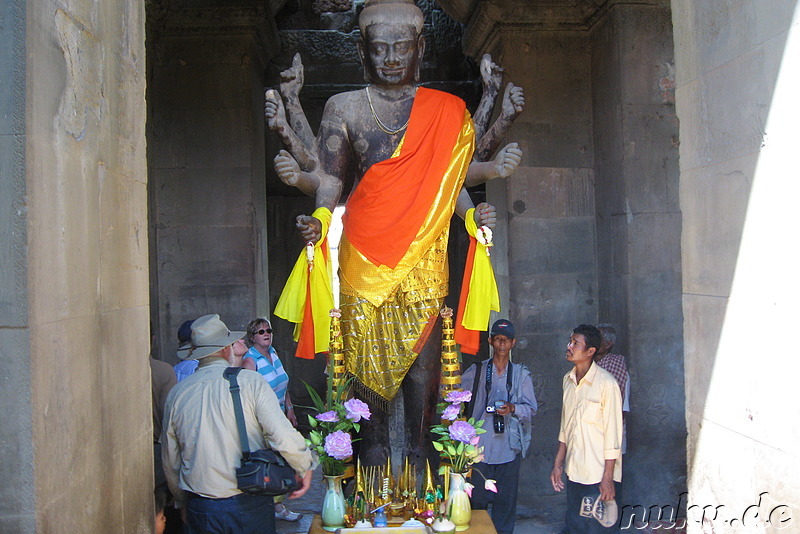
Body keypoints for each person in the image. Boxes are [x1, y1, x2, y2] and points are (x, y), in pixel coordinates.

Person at [265, 0, 524, 468]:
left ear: (419, 49)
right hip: (364, 257)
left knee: (425, 375)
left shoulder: (445, 110)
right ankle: (371, 478)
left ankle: (427, 481)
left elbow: (450, 184)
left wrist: (470, 219)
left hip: (424, 260)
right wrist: (319, 219)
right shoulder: (343, 106)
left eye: (401, 48)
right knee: (367, 386)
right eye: (379, 49)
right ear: (362, 52)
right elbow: (330, 181)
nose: (390, 59)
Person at [162, 314, 316, 533]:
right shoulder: (250, 382)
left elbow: (170, 458)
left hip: (201, 504)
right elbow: (280, 433)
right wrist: (304, 464)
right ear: (226, 349)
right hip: (249, 499)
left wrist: (181, 501)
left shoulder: (177, 394)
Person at [461, 319, 537, 534]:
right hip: (479, 449)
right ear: (490, 341)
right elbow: (453, 394)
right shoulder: (476, 371)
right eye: (498, 339)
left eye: (506, 340)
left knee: (506, 503)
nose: (502, 343)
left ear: (513, 343)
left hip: (508, 448)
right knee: (477, 503)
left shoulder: (521, 374)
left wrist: (513, 408)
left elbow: (531, 409)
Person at [551, 324, 623, 533]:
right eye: (570, 341)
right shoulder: (568, 380)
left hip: (597, 475)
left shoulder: (606, 385)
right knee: (575, 526)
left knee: (596, 529)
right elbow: (565, 428)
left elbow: (613, 436)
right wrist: (558, 464)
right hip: (574, 472)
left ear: (591, 351)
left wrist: (608, 478)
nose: (569, 346)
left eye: (575, 343)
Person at [241, 317, 301, 522]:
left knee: (282, 460)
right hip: (264, 421)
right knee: (272, 463)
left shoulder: (273, 353)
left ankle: (276, 504)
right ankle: (276, 506)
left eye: (269, 330)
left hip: (280, 417)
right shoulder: (250, 360)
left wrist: (290, 409)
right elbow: (248, 394)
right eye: (261, 332)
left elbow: (283, 384)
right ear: (252, 337)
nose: (266, 334)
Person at [594, 324, 630, 455]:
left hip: (610, 435)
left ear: (608, 344)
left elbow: (620, 407)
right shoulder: (586, 365)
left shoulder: (617, 365)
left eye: (597, 338)